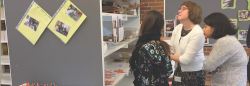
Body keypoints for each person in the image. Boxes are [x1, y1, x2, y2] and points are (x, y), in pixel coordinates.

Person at [202, 12, 247, 86]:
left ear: (215, 27)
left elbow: (208, 66)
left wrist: (207, 65)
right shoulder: (230, 39)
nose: (203, 30)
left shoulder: (224, 42)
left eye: (205, 26)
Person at [129, 10, 173, 86]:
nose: (140, 24)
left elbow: (145, 80)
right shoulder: (164, 45)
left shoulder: (144, 49)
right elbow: (169, 70)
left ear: (147, 25)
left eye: (142, 21)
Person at [169, 1, 206, 86]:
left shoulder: (198, 33)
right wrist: (169, 55)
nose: (179, 11)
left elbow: (186, 60)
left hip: (194, 74)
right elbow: (171, 49)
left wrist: (167, 56)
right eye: (180, 8)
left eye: (183, 9)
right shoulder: (178, 28)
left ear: (193, 12)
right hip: (178, 70)